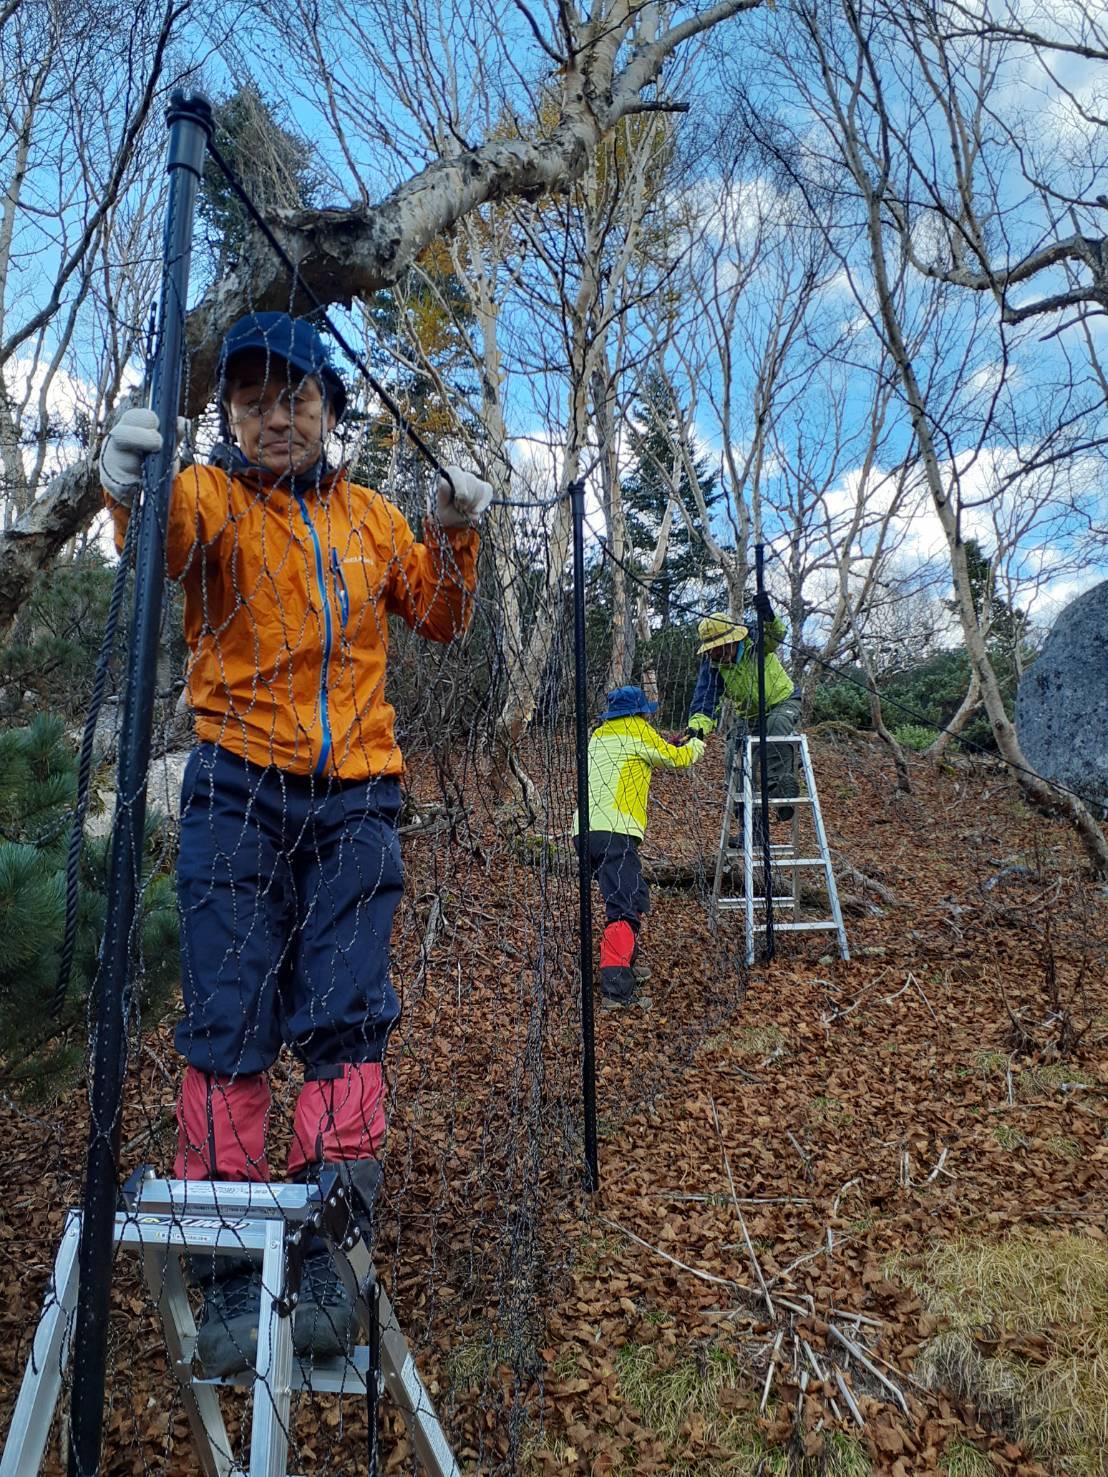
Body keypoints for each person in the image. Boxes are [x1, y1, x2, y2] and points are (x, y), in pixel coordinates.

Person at [99, 310, 491, 1376]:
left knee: (346, 1017)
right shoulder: (210, 499)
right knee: (227, 1018)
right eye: (253, 400)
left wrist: (454, 530)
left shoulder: (370, 518)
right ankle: (229, 1259)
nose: (277, 417)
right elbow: (156, 550)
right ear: (226, 414)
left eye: (297, 397)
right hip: (236, 786)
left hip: (358, 796)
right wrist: (127, 489)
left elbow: (440, 614)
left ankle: (325, 1245)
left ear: (330, 407)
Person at [573, 686, 704, 1009]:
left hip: (586, 831)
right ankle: (616, 991)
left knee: (630, 893)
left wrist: (664, 743)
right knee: (624, 905)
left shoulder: (599, 736)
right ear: (639, 712)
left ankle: (625, 963)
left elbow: (642, 752)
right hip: (615, 830)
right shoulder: (638, 731)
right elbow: (677, 759)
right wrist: (697, 742)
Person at [686, 592, 800, 823]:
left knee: (776, 726)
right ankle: (749, 822)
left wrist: (767, 614)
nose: (715, 654)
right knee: (733, 751)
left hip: (782, 701)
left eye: (718, 648)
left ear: (732, 640)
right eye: (711, 649)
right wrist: (696, 728)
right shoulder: (713, 667)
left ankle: (779, 790)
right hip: (748, 714)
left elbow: (776, 635)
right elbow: (705, 700)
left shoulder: (756, 641)